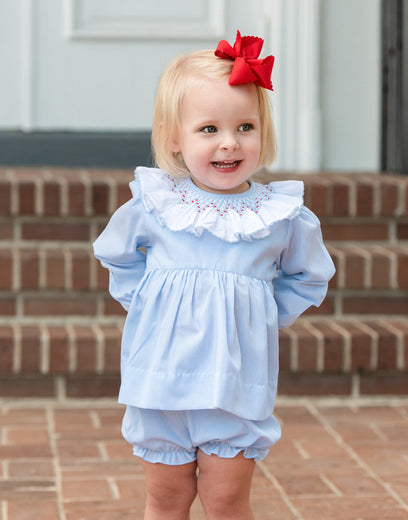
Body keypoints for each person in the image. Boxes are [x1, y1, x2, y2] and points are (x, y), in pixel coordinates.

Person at [93, 30, 335, 520]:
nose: (229, 143)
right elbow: (117, 255)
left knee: (226, 501)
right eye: (209, 130)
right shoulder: (158, 206)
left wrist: (265, 312)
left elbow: (308, 275)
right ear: (174, 139)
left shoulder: (277, 216)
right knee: (167, 498)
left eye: (245, 126)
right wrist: (148, 302)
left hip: (234, 384)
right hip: (160, 383)